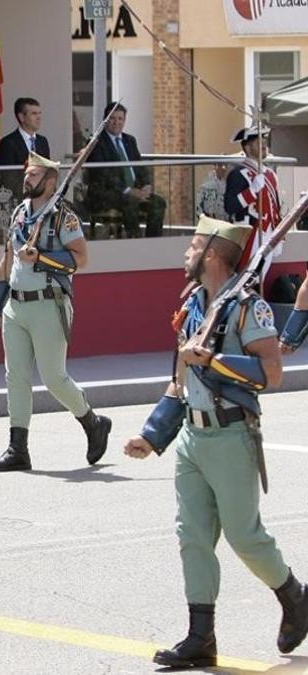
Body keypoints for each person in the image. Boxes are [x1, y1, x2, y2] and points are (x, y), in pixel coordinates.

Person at [124, 216, 308, 668]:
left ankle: (295, 597)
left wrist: (216, 359)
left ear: (211, 255)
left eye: (192, 246)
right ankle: (200, 636)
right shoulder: (192, 307)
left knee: (245, 537)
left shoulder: (247, 308)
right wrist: (151, 435)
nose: (185, 254)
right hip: (192, 436)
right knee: (192, 536)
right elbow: (179, 381)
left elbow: (271, 373)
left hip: (231, 435)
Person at [0, 152, 112, 472]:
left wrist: (40, 257)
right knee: (16, 377)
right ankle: (18, 448)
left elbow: (81, 260)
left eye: (34, 175)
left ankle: (92, 422)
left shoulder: (62, 217)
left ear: (50, 181)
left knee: (54, 378)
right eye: (27, 174)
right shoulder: (19, 213)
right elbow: (7, 260)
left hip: (48, 303)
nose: (27, 179)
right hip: (16, 306)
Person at [84, 102, 166, 238]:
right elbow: (103, 174)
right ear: (105, 121)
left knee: (158, 203)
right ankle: (134, 243)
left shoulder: (130, 140)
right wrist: (129, 191)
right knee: (130, 201)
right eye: (112, 118)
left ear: (124, 120)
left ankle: (152, 243)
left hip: (135, 191)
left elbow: (140, 166)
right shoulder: (96, 142)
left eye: (120, 119)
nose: (116, 122)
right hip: (107, 193)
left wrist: (146, 185)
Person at [225, 126, 282, 282]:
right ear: (248, 147)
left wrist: (279, 235)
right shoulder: (239, 173)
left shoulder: (270, 174)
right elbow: (230, 206)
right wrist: (252, 190)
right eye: (258, 143)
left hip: (268, 233)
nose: (264, 146)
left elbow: (275, 207)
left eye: (264, 141)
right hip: (251, 231)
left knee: (260, 278)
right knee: (244, 278)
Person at [0, 97, 51, 201]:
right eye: (34, 114)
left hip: (44, 197)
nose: (39, 117)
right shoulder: (7, 143)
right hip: (19, 198)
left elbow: (48, 171)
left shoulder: (43, 141)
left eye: (40, 113)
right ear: (21, 117)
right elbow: (8, 179)